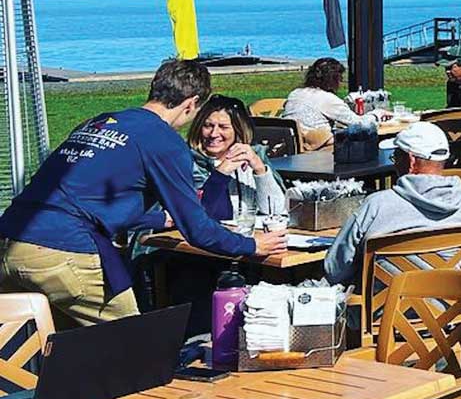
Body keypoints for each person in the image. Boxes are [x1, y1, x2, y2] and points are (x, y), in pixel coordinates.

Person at [0, 59, 280, 327]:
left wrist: (159, 221)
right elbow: (197, 230)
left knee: (48, 351)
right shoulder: (163, 141)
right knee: (134, 345)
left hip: (10, 241)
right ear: (192, 103)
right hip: (63, 251)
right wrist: (252, 246)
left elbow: (81, 199)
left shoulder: (99, 122)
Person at [322, 123, 461, 286]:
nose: (394, 163)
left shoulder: (377, 206)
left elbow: (334, 269)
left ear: (411, 161)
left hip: (385, 314)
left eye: (396, 156)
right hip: (459, 311)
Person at [183, 95, 289, 224]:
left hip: (252, 235)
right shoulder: (190, 162)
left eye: (223, 127)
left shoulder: (253, 155)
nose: (213, 134)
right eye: (208, 126)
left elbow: (276, 210)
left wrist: (261, 170)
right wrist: (220, 174)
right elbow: (200, 215)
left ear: (238, 130)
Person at [282, 56, 360, 135]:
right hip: (312, 144)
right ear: (334, 79)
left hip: (288, 142)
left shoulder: (295, 94)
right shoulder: (328, 99)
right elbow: (359, 124)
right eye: (340, 79)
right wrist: (372, 115)